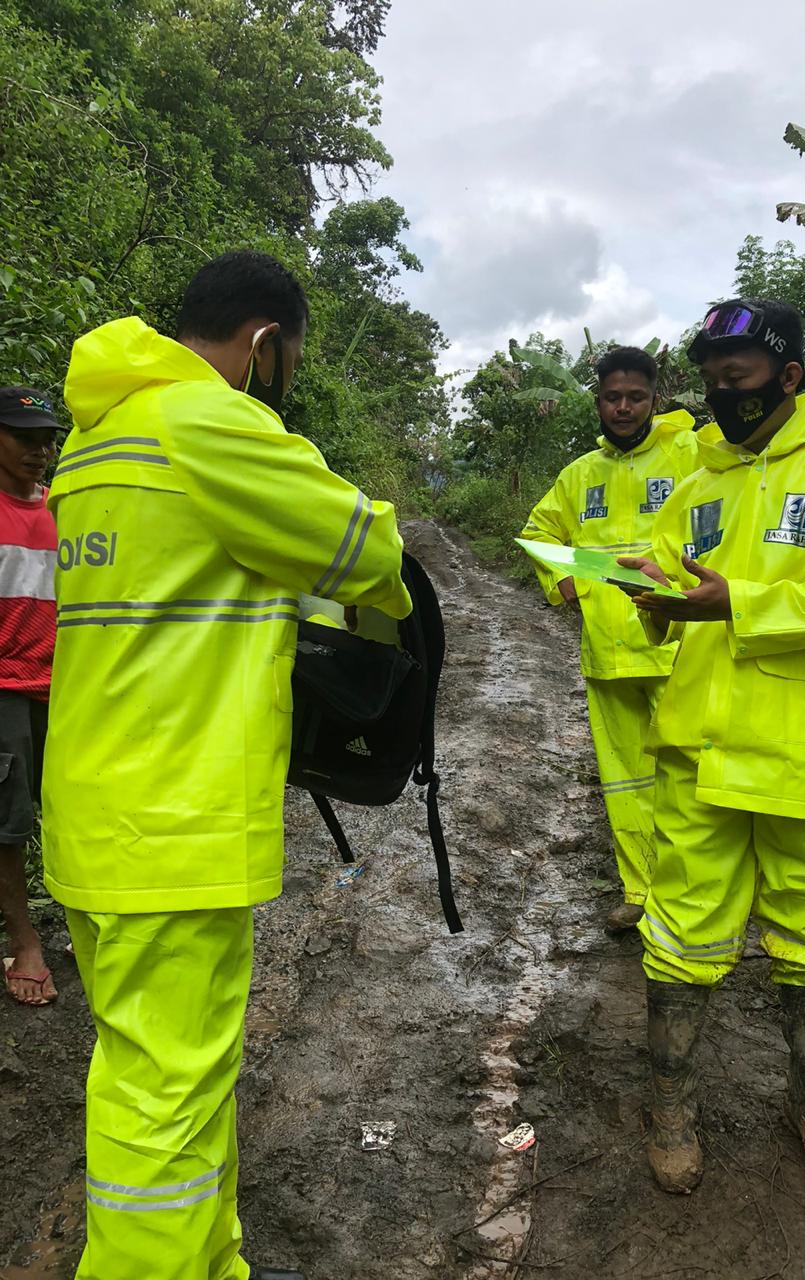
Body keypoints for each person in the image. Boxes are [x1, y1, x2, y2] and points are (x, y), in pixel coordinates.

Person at [42, 250, 412, 1280]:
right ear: (262, 343)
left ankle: (215, 1263)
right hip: (177, 820)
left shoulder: (96, 437)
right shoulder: (209, 424)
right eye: (285, 360)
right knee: (162, 1105)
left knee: (175, 1070)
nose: (278, 377)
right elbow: (366, 548)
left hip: (96, 806)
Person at [620, 299, 805, 1196]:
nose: (717, 395)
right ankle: (672, 1106)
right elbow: (668, 591)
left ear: (788, 376)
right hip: (696, 746)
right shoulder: (695, 484)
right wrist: (656, 606)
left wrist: (736, 602)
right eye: (707, 379)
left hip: (801, 750)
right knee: (681, 932)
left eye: (734, 379)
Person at [521, 346, 697, 931]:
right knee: (625, 781)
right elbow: (539, 531)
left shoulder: (690, 454)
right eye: (612, 397)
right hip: (609, 650)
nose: (623, 408)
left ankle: (693, 895)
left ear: (655, 398)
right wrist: (564, 583)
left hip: (680, 644)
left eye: (636, 397)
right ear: (597, 400)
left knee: (688, 775)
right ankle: (640, 893)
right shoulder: (578, 476)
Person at [0, 387, 63, 1005]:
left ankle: (82, 919)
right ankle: (25, 943)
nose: (39, 449)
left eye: (45, 437)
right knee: (9, 826)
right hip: (4, 692)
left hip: (66, 687)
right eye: (23, 436)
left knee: (74, 811)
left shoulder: (62, 510)